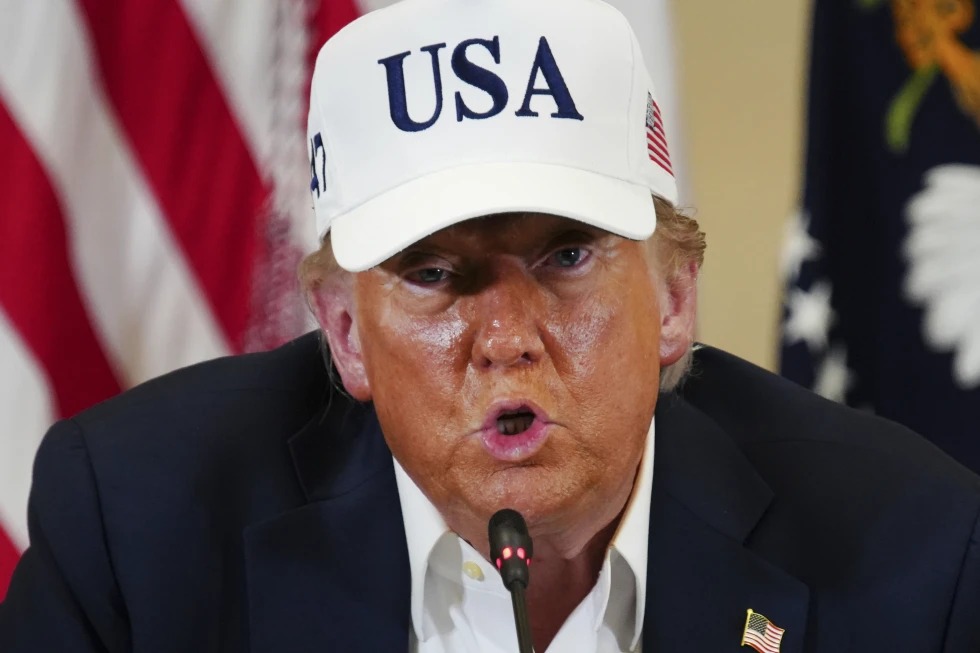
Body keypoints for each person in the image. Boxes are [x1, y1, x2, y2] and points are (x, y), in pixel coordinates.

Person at [2, 0, 979, 650]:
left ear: (674, 296)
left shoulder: (912, 549)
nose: (506, 335)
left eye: (564, 257)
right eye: (433, 274)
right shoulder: (137, 523)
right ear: (343, 332)